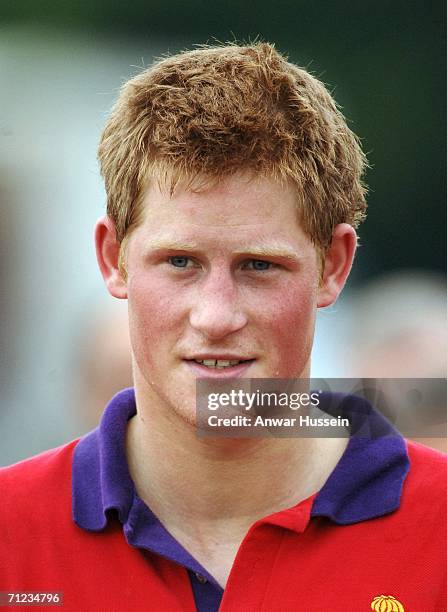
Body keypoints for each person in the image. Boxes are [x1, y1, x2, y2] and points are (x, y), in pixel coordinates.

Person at [1, 42, 446, 612]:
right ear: (113, 258)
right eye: (180, 262)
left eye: (259, 266)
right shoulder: (11, 535)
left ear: (333, 266)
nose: (215, 317)